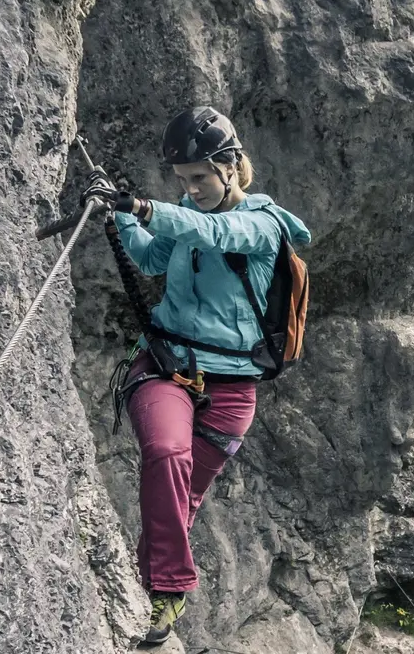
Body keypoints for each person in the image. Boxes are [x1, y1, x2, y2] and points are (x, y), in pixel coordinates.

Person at [93, 106, 310, 647]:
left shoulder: (262, 224)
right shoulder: (189, 211)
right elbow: (148, 260)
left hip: (233, 390)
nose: (192, 188)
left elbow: (216, 233)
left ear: (231, 166)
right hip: (166, 366)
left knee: (180, 502)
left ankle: (150, 604)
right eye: (183, 181)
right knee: (166, 454)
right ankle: (168, 590)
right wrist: (119, 215)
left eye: (200, 177)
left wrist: (145, 206)